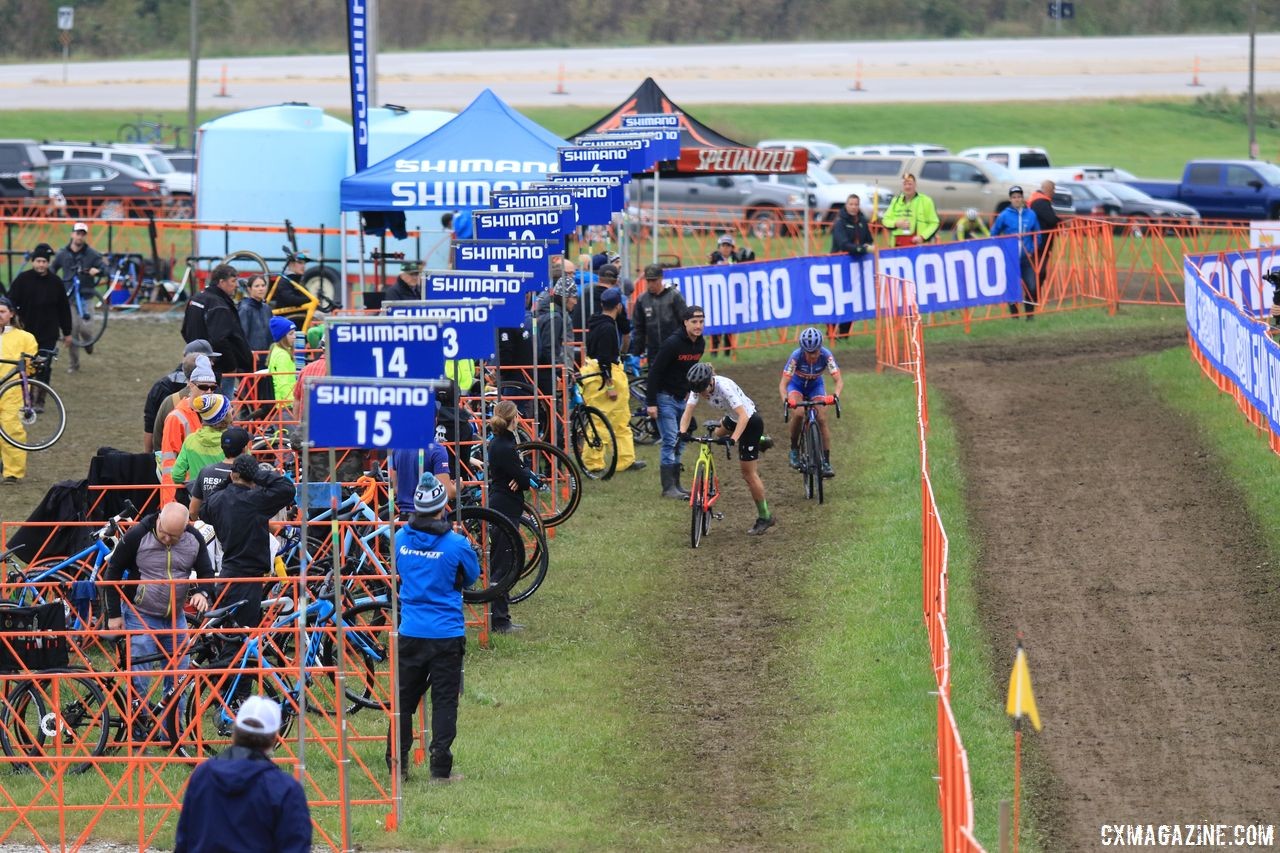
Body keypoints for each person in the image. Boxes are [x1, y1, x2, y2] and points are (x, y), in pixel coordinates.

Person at [386, 472, 479, 783]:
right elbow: (471, 577)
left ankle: (396, 766)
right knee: (443, 701)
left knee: (402, 701)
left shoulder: (398, 539)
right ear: (443, 508)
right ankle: (440, 770)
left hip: (410, 631)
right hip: (446, 634)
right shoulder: (456, 544)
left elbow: (397, 571)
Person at [103, 502, 213, 703]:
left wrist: (203, 593)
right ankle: (138, 730)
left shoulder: (194, 539)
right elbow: (113, 571)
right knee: (139, 678)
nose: (167, 539)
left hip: (176, 618)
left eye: (174, 536)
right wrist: (114, 614)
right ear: (159, 519)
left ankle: (173, 732)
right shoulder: (137, 535)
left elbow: (207, 572)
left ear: (185, 528)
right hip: (139, 615)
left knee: (179, 680)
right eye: (164, 532)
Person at [174, 694, 312, 853]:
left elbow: (184, 841)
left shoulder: (203, 775)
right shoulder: (284, 788)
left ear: (235, 731)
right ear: (275, 737)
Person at [678, 362, 775, 535]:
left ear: (710, 382)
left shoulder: (725, 387)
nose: (701, 395)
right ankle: (758, 441)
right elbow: (688, 411)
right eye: (698, 391)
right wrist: (682, 432)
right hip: (732, 418)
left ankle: (765, 517)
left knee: (748, 474)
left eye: (702, 391)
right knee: (716, 433)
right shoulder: (698, 386)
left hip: (750, 421)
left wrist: (733, 439)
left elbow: (743, 416)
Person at [201, 454, 296, 628]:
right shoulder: (256, 500)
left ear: (232, 475)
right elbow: (287, 488)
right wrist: (258, 474)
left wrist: (227, 481)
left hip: (229, 572)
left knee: (233, 635)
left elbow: (204, 509)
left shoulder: (217, 500)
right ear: (253, 477)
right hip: (247, 578)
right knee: (239, 641)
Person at [486, 400, 539, 634]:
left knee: (505, 562)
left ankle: (501, 617)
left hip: (506, 506)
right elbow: (529, 479)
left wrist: (522, 475)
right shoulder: (503, 447)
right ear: (513, 419)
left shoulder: (504, 443)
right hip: (504, 508)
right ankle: (499, 620)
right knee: (502, 566)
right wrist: (524, 476)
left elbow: (523, 472)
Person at [645, 305, 706, 499]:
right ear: (685, 322)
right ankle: (668, 487)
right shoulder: (672, 344)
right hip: (665, 397)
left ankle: (677, 485)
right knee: (670, 439)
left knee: (681, 441)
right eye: (694, 322)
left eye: (701, 322)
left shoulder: (700, 344)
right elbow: (655, 371)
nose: (698, 326)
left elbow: (691, 371)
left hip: (682, 398)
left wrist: (690, 391)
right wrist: (651, 402)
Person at [583, 286, 644, 474]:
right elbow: (604, 359)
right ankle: (593, 462)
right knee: (601, 422)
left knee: (619, 419)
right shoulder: (608, 328)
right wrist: (609, 386)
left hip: (597, 375)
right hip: (604, 378)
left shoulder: (596, 323)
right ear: (618, 306)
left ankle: (624, 460)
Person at [7, 242, 71, 399]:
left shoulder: (56, 283)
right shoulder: (22, 280)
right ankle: (25, 397)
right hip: (25, 333)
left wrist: (67, 332)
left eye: (44, 261)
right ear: (33, 262)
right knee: (25, 367)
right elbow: (10, 302)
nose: (41, 264)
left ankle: (40, 399)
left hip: (48, 334)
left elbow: (64, 309)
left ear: (48, 263)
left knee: (44, 367)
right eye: (38, 261)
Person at [778, 326, 844, 478]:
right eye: (809, 353)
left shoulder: (826, 356)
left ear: (820, 348)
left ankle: (826, 462)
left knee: (821, 419)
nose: (813, 356)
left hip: (816, 386)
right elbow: (783, 384)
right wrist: (786, 401)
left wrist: (835, 395)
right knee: (799, 414)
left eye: (815, 352)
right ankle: (794, 449)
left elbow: (838, 380)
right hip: (797, 386)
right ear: (803, 350)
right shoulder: (796, 357)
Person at [181, 263, 253, 394]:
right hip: (217, 368)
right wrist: (231, 366)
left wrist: (194, 351)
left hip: (195, 362)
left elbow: (185, 330)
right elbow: (219, 339)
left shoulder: (196, 298)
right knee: (220, 406)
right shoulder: (219, 304)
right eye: (233, 281)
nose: (236, 285)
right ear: (222, 282)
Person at [158, 355, 218, 502]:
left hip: (210, 492)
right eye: (203, 387)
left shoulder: (215, 413)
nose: (209, 391)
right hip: (186, 494)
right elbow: (169, 465)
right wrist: (170, 504)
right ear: (190, 385)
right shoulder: (176, 418)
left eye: (213, 387)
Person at [144, 340, 219, 454]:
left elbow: (152, 429)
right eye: (210, 360)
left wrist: (149, 457)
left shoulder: (163, 390)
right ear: (191, 383)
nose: (212, 364)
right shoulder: (217, 401)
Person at [50, 222, 105, 372]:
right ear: (72, 234)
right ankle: (74, 364)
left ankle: (89, 342)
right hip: (69, 299)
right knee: (72, 331)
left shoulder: (92, 254)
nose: (80, 236)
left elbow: (104, 268)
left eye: (82, 234)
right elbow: (53, 268)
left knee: (86, 329)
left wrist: (97, 271)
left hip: (86, 297)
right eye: (77, 233)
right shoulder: (62, 253)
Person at [0, 297, 40, 485]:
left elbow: (30, 367)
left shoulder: (25, 338)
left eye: (2, 312)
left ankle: (12, 472)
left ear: (11, 314)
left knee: (11, 428)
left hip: (13, 391)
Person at [990, 186, 1041, 319]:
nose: (1017, 199)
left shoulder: (1031, 214)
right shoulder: (1004, 215)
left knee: (1031, 286)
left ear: (1022, 198)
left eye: (1019, 197)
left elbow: (1038, 234)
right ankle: (1015, 317)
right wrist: (1001, 250)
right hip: (1010, 258)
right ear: (1010, 199)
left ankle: (1030, 316)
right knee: (1012, 287)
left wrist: (1032, 250)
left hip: (1027, 258)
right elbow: (994, 233)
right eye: (1014, 197)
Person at [829, 195, 875, 337]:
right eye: (851, 204)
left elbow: (869, 239)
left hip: (856, 266)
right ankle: (830, 331)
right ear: (846, 205)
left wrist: (869, 246)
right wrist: (862, 249)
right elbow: (843, 244)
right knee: (838, 300)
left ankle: (844, 333)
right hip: (839, 265)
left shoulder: (862, 221)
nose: (854, 207)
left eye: (856, 204)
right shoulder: (840, 223)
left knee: (852, 299)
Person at [172, 393, 234, 492]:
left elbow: (177, 475)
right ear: (225, 417)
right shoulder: (235, 440)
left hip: (198, 500)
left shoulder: (190, 441)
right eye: (230, 409)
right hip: (227, 500)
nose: (232, 410)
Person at [187, 426, 252, 522]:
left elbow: (193, 511)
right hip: (239, 531)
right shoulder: (249, 474)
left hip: (211, 531)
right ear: (244, 449)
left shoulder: (205, 471)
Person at [630, 263, 689, 365]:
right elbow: (639, 328)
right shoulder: (642, 300)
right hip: (654, 351)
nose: (651, 284)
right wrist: (637, 352)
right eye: (648, 281)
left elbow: (685, 321)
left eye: (654, 280)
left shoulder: (674, 296)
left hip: (674, 348)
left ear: (661, 279)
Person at [534, 276, 578, 399]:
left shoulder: (546, 311)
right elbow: (550, 348)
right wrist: (561, 371)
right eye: (573, 297)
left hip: (540, 369)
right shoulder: (555, 318)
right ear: (565, 297)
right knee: (552, 409)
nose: (575, 302)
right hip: (545, 372)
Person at [388, 442, 455, 518]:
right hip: (431, 518)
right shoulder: (437, 450)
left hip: (404, 516)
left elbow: (394, 487)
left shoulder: (397, 448)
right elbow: (448, 493)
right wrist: (457, 487)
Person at [704, 235, 739, 357]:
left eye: (728, 246)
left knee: (729, 325)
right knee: (716, 323)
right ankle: (714, 351)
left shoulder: (736, 257)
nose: (726, 248)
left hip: (731, 296)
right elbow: (707, 271)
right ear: (719, 247)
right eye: (723, 245)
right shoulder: (714, 257)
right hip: (717, 296)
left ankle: (727, 352)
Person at [883, 173, 940, 247]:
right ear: (902, 186)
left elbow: (935, 223)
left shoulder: (926, 201)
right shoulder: (895, 201)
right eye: (905, 184)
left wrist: (922, 237)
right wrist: (896, 224)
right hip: (897, 248)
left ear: (915, 185)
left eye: (910, 184)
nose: (907, 187)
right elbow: (885, 220)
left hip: (920, 247)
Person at [1028, 180, 1061, 284]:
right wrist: (1060, 222)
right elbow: (1051, 219)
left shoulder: (1037, 200)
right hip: (1040, 242)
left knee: (1038, 271)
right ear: (1047, 189)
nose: (1054, 192)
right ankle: (1031, 297)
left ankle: (1032, 296)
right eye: (1053, 189)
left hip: (1039, 241)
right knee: (1039, 272)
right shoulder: (1041, 202)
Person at [237, 275, 273, 366]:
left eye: (263, 285)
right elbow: (241, 335)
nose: (261, 289)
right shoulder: (245, 309)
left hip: (267, 357)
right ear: (249, 289)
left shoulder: (266, 308)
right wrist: (248, 352)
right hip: (252, 358)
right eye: (257, 286)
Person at [265, 317, 297, 403]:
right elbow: (283, 383)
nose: (294, 336)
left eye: (294, 333)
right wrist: (292, 402)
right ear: (282, 337)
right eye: (291, 334)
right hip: (285, 405)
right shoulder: (282, 355)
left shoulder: (277, 350)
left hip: (282, 402)